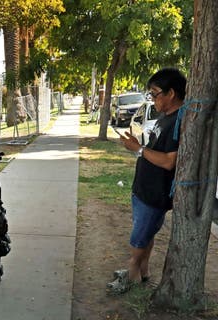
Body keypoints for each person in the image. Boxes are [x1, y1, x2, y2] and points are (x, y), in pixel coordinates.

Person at [107, 67, 186, 294]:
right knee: (146, 233)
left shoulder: (178, 122)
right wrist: (138, 146)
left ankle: (131, 274)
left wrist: (138, 149)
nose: (152, 98)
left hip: (155, 192)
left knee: (139, 237)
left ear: (171, 93)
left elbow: (170, 161)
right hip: (143, 188)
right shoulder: (165, 117)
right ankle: (143, 271)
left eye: (155, 93)